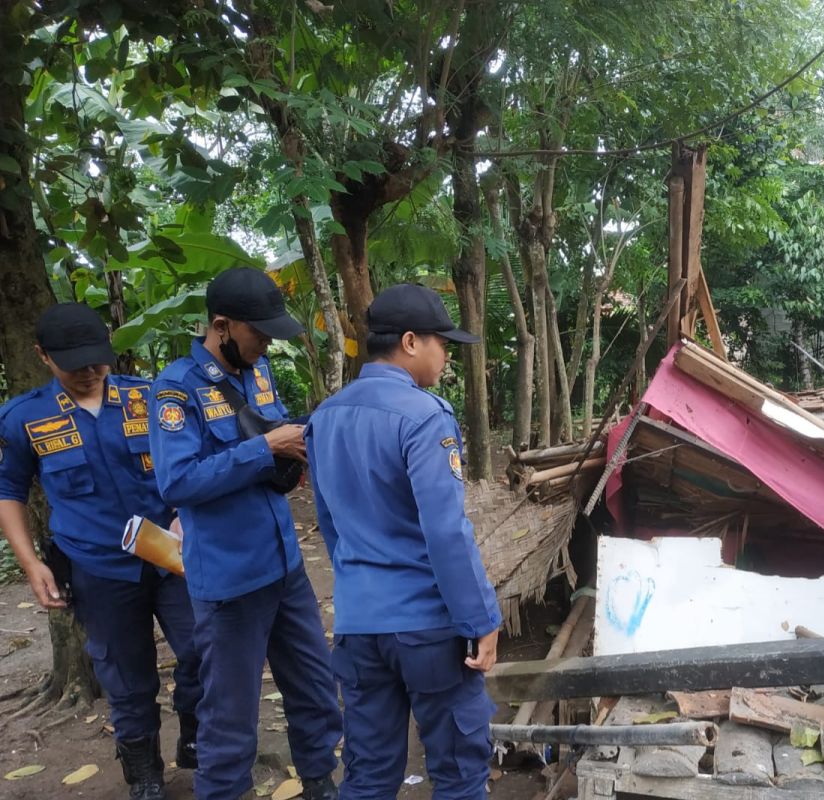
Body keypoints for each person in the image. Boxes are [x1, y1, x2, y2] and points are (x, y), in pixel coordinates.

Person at [148, 267, 341, 800]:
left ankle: (320, 781)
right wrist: (266, 449)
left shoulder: (258, 374)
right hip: (230, 581)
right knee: (230, 716)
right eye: (259, 334)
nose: (266, 345)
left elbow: (274, 437)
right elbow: (177, 480)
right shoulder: (174, 389)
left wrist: (303, 436)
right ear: (222, 325)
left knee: (315, 689)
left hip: (284, 566)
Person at [305, 283, 502, 800]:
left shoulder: (324, 417)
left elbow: (330, 523)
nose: (446, 358)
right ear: (411, 342)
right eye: (443, 344)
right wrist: (481, 619)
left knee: (368, 775)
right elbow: (445, 531)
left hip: (358, 625)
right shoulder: (424, 416)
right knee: (459, 772)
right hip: (427, 628)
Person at [0, 303, 201, 800]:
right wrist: (31, 563)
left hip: (172, 558)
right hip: (98, 569)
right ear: (42, 356)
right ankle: (145, 777)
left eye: (98, 359)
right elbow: (9, 492)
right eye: (75, 363)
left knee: (205, 650)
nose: (90, 371)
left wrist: (184, 514)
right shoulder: (25, 417)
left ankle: (195, 734)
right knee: (128, 679)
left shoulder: (150, 396)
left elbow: (189, 464)